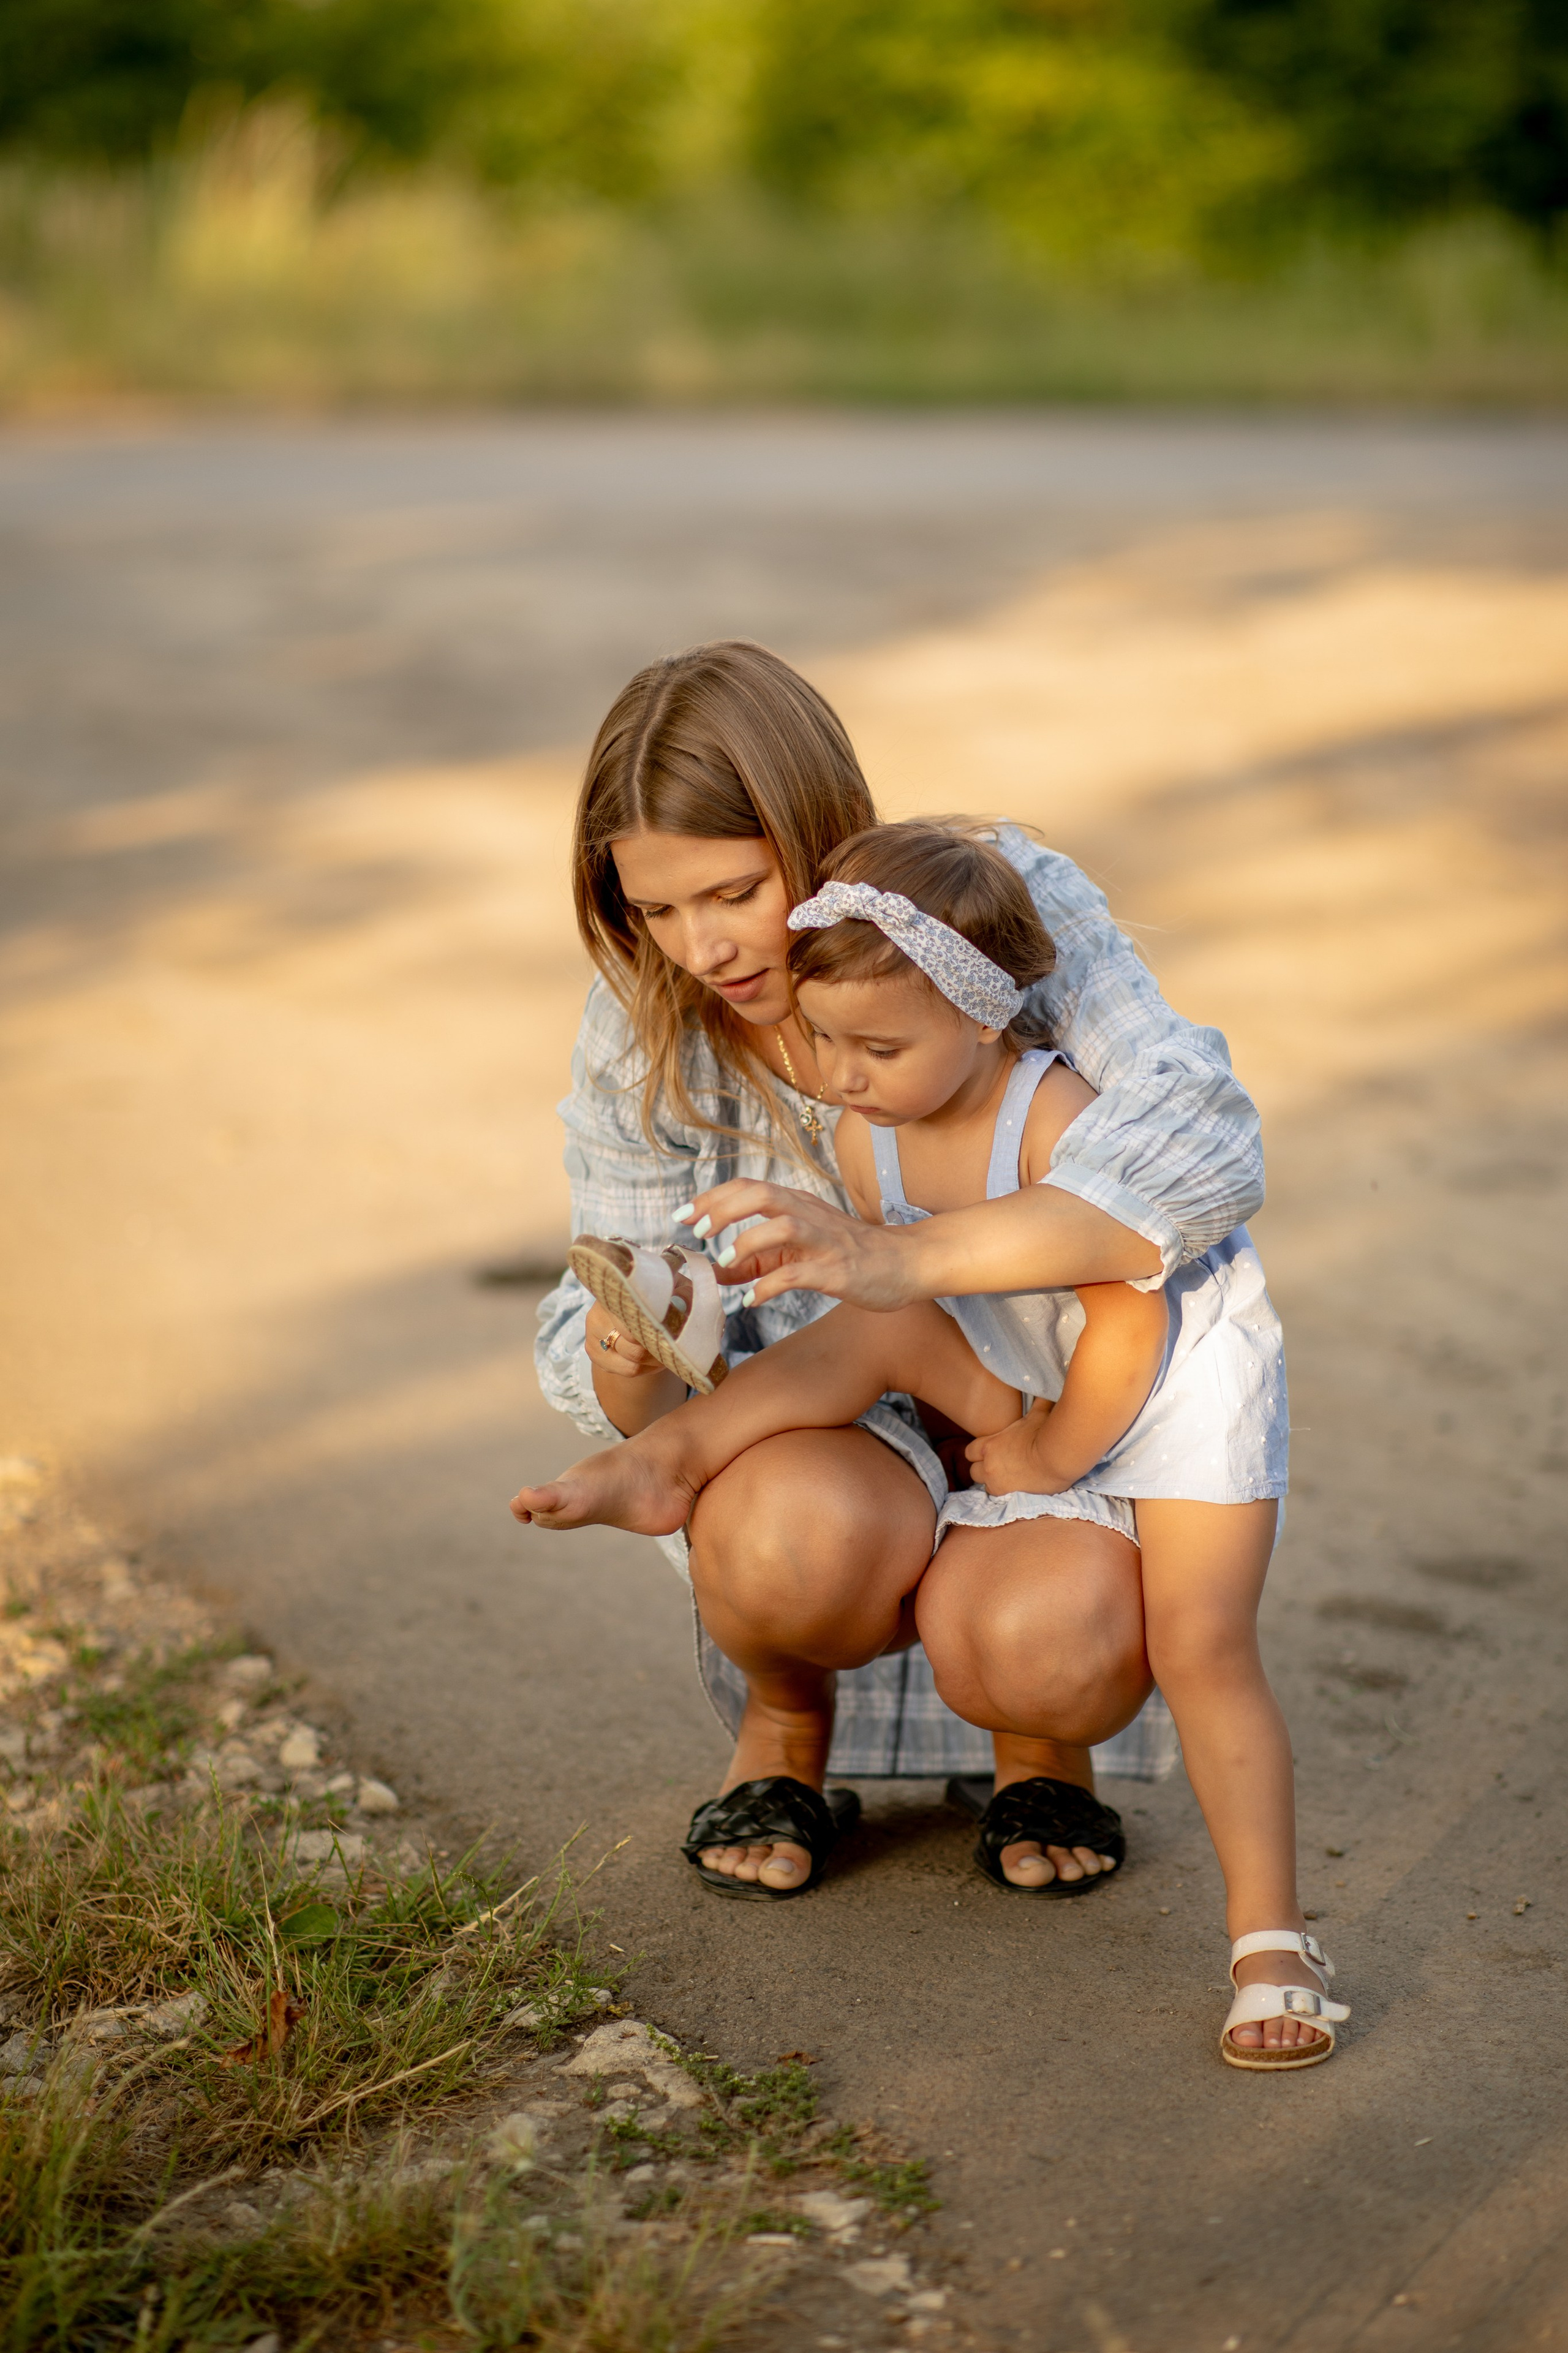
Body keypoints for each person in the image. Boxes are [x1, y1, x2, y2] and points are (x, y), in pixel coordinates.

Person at [527, 638, 1325, 2054]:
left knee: (1063, 1636)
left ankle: (1046, 1752)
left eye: (735, 889)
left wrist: (903, 1258)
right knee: (776, 1522)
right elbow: (735, 1323)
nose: (706, 947)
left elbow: (1192, 1142)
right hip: (858, 1400)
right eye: (656, 907)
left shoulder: (973, 912)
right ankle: (781, 1730)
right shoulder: (646, 1024)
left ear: (817, 833)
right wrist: (633, 1337)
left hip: (1063, 1385)